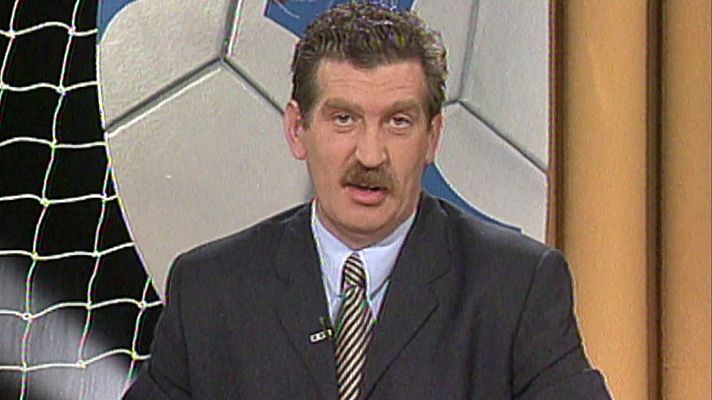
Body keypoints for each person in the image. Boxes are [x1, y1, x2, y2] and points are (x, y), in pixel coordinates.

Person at [124, 3, 610, 399]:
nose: (370, 155)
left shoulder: (516, 288)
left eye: (398, 122)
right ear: (297, 129)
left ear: (432, 137)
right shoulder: (212, 291)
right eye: (344, 120)